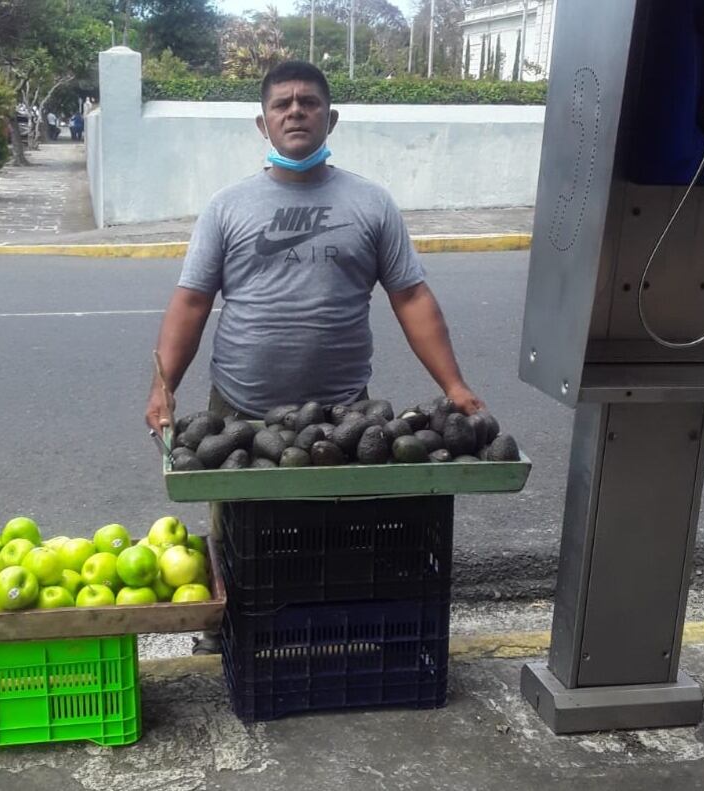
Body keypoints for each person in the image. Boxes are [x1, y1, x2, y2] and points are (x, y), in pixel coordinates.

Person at [144, 61, 483, 653]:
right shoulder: (228, 208)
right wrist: (162, 386)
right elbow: (192, 303)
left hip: (341, 416)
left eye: (307, 102)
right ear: (262, 122)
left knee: (330, 527)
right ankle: (231, 631)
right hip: (239, 410)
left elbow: (411, 298)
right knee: (238, 529)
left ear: (332, 117)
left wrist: (454, 385)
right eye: (282, 104)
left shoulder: (372, 204)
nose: (295, 111)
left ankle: (319, 626)